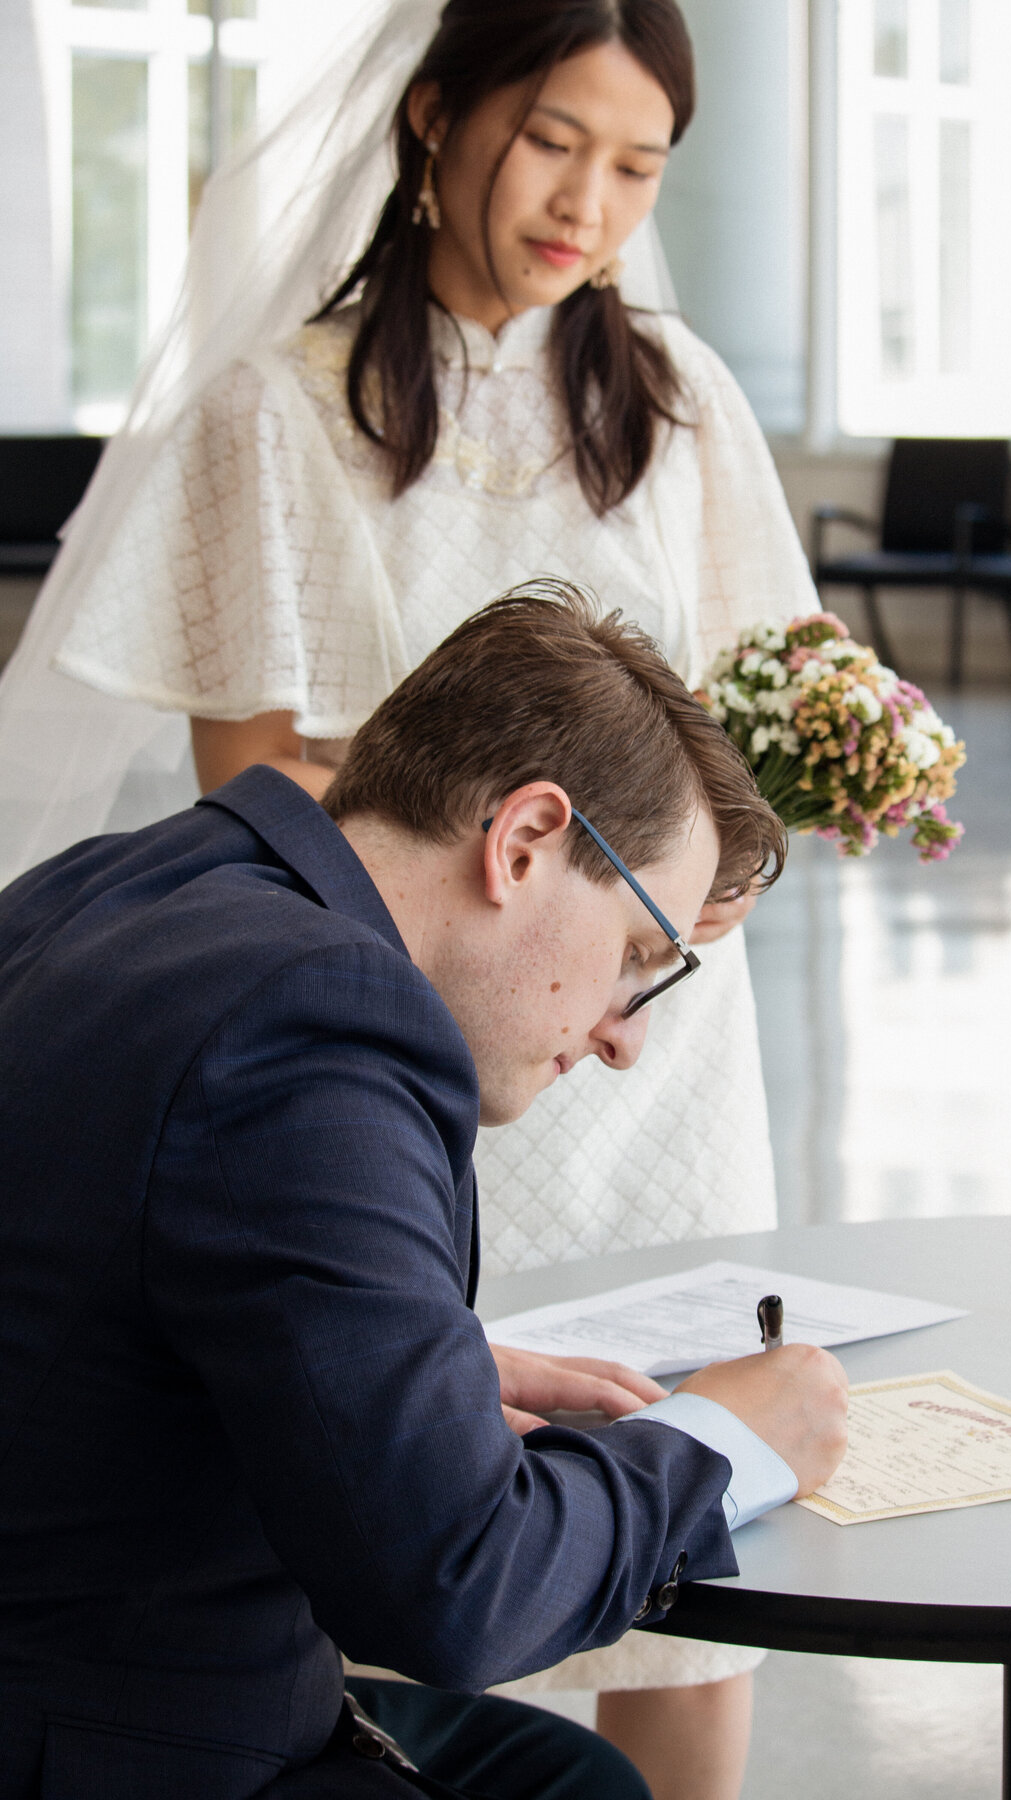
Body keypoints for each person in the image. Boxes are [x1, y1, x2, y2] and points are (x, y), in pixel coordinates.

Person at [0, 2, 819, 1786]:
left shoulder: (675, 398)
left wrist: (718, 861)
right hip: (448, 967)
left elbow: (770, 675)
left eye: (636, 166)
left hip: (612, 952)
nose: (587, 201)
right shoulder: (277, 406)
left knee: (617, 1466)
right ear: (435, 116)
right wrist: (500, 838)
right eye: (549, 141)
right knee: (413, 1488)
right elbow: (262, 764)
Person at [0, 585, 850, 1799]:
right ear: (523, 843)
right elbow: (461, 1589)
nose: (624, 1039)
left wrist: (397, 1362)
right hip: (119, 1737)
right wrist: (723, 1444)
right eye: (638, 959)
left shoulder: (123, 884)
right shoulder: (318, 1023)